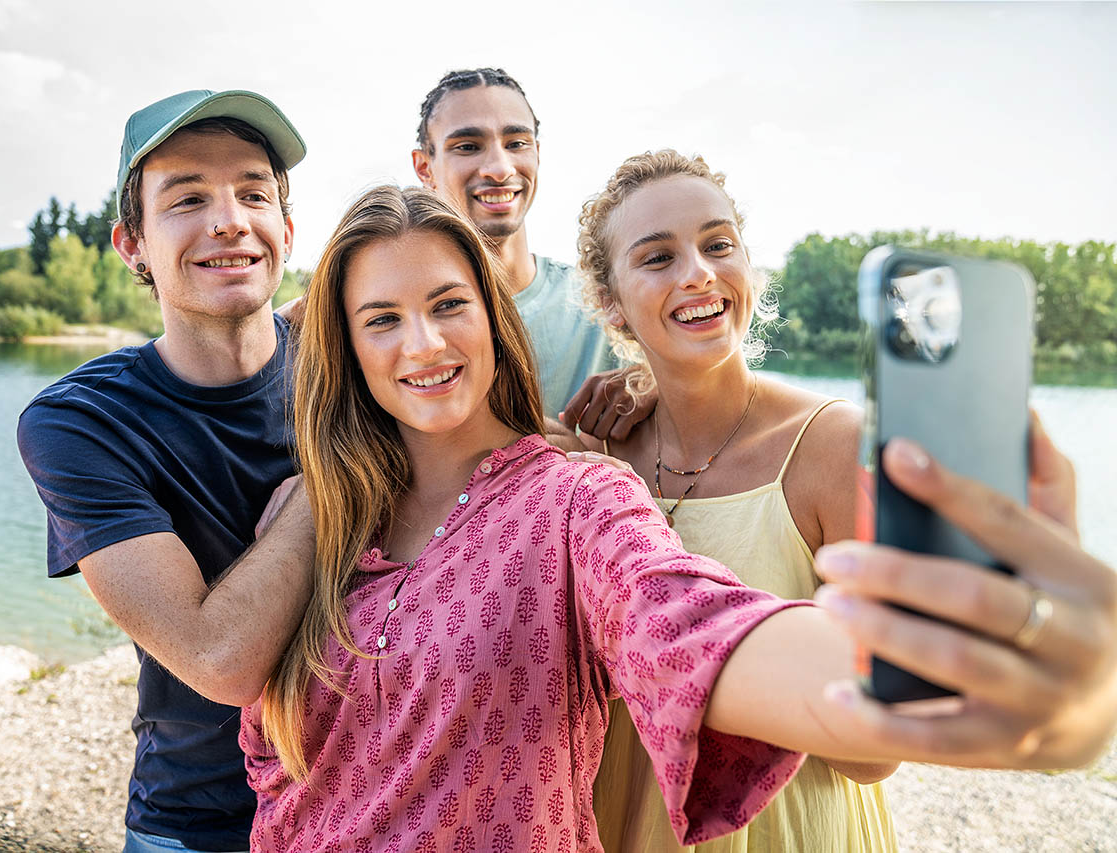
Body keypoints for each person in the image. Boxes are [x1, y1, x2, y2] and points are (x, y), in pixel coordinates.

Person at [238, 184, 1117, 852]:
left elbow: (700, 629)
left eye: (447, 304)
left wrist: (1003, 686)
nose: (422, 344)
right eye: (381, 319)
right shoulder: (310, 516)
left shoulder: (578, 498)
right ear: (346, 348)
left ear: (494, 316)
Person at [17, 89, 318, 853]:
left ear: (285, 228)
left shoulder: (349, 364)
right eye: (187, 198)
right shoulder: (79, 423)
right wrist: (331, 485)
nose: (229, 220)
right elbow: (221, 661)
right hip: (199, 822)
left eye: (254, 192)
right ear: (132, 245)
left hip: (378, 800)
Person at [576, 150, 896, 851]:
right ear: (610, 301)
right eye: (656, 257)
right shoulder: (597, 457)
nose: (697, 271)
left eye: (718, 244)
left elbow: (877, 749)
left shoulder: (830, 445)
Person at [412, 68, 648, 438]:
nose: (499, 169)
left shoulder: (600, 301)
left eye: (517, 143)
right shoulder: (398, 317)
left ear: (537, 153)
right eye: (468, 146)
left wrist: (657, 383)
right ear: (425, 168)